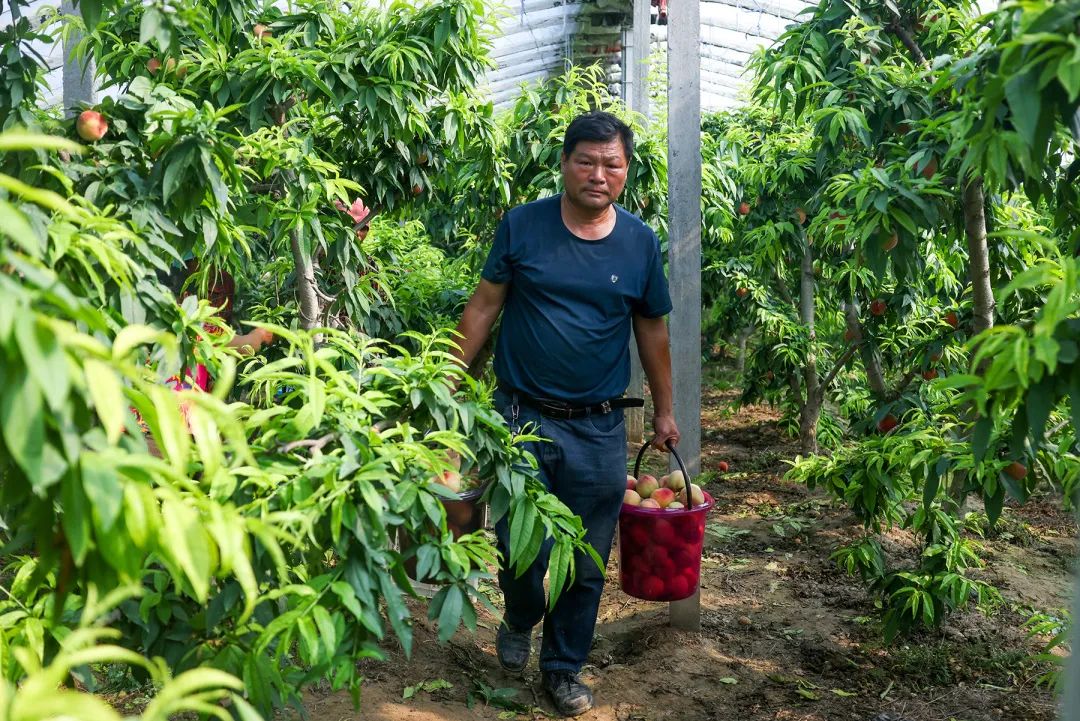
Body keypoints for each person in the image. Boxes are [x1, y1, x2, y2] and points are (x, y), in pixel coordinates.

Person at [451, 110, 679, 717]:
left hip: (599, 426)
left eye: (612, 164)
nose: (598, 174)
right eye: (586, 160)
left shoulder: (639, 243)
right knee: (519, 547)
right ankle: (521, 614)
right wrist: (445, 382)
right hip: (520, 417)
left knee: (584, 560)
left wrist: (665, 410)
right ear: (564, 164)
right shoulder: (523, 226)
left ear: (627, 172)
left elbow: (652, 330)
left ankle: (562, 669)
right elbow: (483, 306)